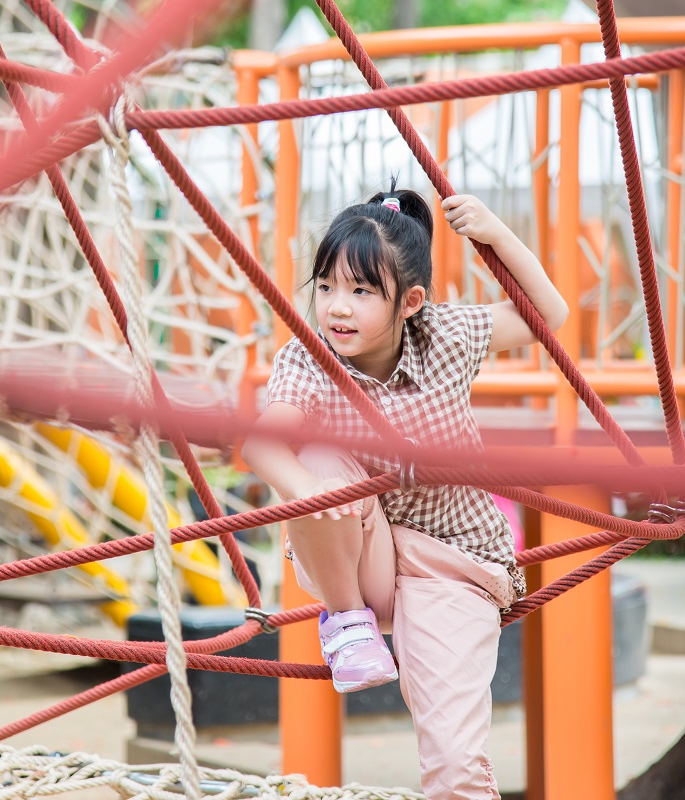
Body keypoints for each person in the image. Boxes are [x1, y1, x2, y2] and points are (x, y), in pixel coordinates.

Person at [241, 185, 567, 800]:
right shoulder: (306, 360)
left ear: (410, 302)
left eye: (362, 291)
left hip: (457, 564)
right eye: (327, 286)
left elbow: (548, 316)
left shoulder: (443, 337)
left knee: (454, 761)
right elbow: (262, 446)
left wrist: (496, 234)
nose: (338, 307)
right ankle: (346, 625)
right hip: (361, 558)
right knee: (319, 459)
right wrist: (318, 490)